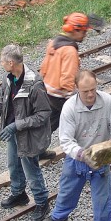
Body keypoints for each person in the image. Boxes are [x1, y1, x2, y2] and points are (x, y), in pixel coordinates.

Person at [39, 70, 111, 221]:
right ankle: (59, 216)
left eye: (93, 89)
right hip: (77, 158)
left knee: (102, 200)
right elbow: (65, 140)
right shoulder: (70, 108)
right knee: (67, 190)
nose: (90, 94)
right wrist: (82, 155)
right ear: (76, 89)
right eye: (85, 91)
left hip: (101, 159)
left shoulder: (107, 101)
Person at [0, 44, 52, 221]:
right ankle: (19, 193)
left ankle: (42, 202)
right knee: (13, 164)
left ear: (11, 62)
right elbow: (0, 102)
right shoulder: (8, 79)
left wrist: (17, 125)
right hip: (13, 132)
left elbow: (43, 115)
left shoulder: (35, 84)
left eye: (2, 61)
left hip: (28, 135)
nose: (1, 64)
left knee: (31, 169)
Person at [38, 12, 93, 159]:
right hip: (60, 95)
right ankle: (84, 154)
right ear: (75, 30)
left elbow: (43, 68)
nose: (85, 35)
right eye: (84, 31)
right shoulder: (70, 50)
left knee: (51, 123)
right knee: (81, 122)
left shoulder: (54, 43)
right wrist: (74, 99)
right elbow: (68, 78)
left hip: (48, 91)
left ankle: (37, 150)